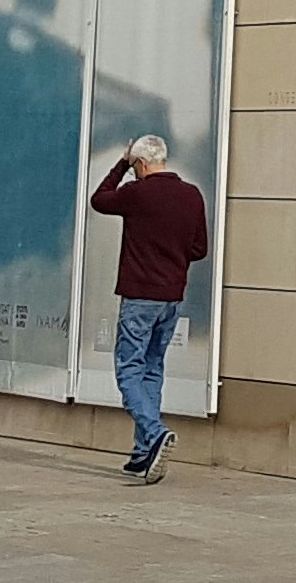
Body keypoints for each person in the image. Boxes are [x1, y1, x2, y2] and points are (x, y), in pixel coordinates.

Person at [90, 134, 210, 481]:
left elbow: (99, 200)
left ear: (140, 165)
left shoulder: (135, 193)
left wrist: (121, 164)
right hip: (171, 298)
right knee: (152, 367)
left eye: (135, 166)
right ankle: (144, 451)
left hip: (140, 296)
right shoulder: (191, 195)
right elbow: (198, 249)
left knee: (128, 369)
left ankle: (155, 433)